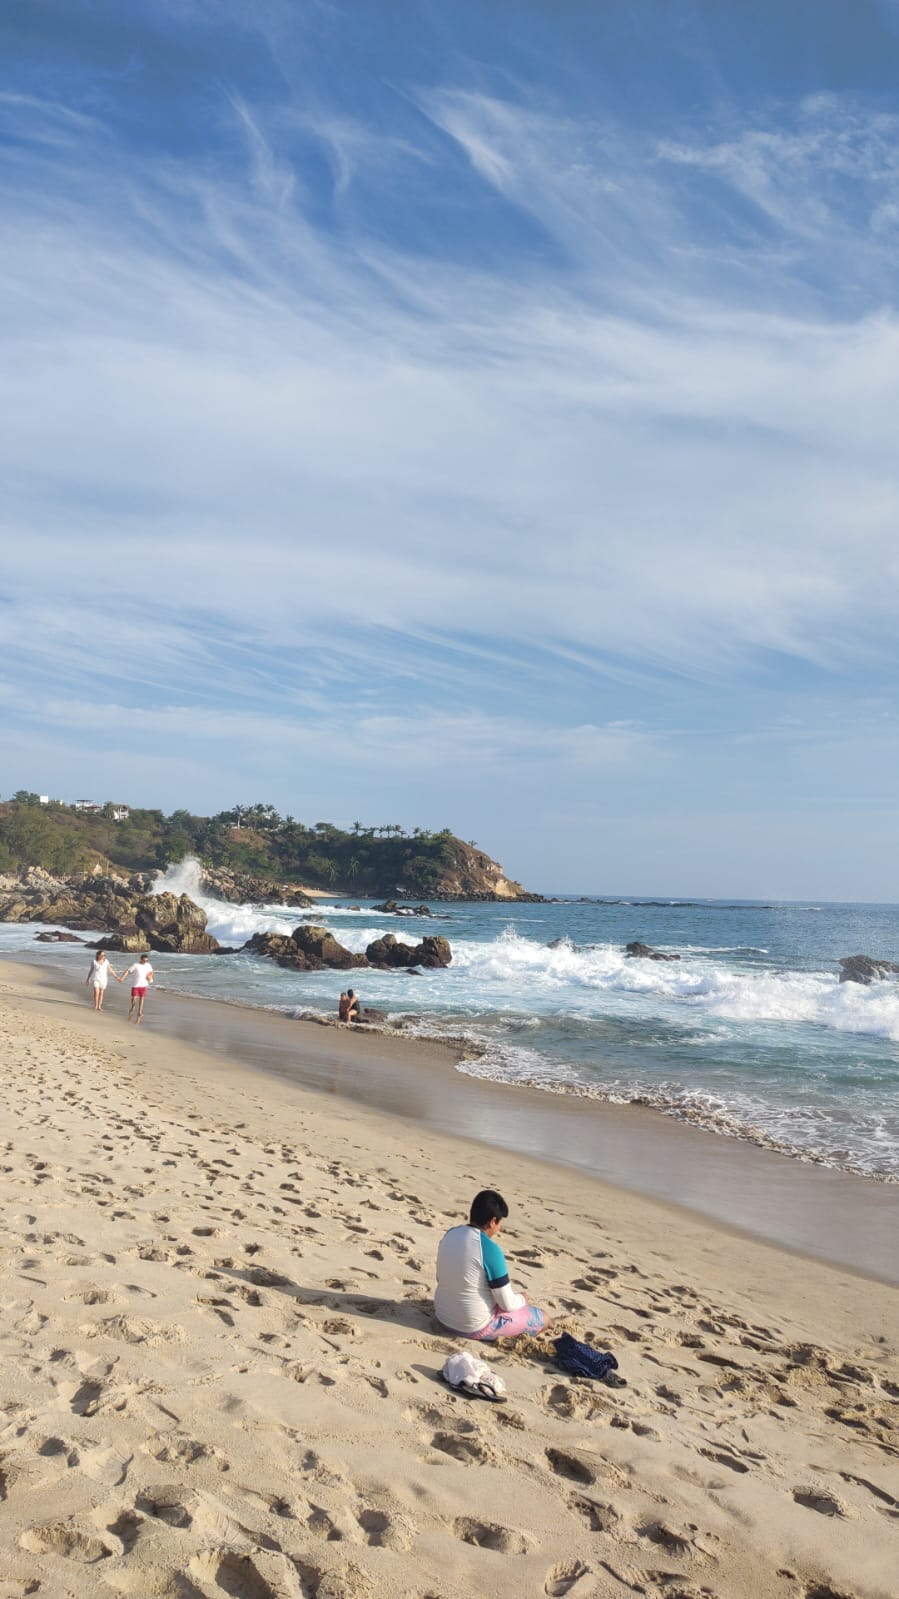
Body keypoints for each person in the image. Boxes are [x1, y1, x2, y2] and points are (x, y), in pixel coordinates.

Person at [434, 1189, 549, 1341]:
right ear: (493, 1221)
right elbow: (507, 1304)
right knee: (544, 1319)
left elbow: (440, 1276)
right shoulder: (490, 1249)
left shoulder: (451, 1233)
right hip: (471, 1326)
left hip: (442, 1315)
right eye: (500, 1223)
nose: (498, 1229)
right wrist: (523, 1298)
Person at [120, 952, 154, 1024]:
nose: (145, 962)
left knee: (142, 998)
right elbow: (128, 971)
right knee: (134, 999)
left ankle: (139, 1012)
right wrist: (122, 978)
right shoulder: (135, 965)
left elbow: (151, 972)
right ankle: (132, 1008)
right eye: (144, 960)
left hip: (144, 984)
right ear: (141, 959)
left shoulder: (148, 965)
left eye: (146, 960)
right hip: (135, 985)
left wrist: (150, 977)